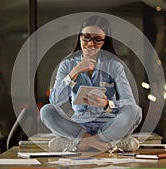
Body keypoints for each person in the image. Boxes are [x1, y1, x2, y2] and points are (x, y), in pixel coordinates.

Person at [40, 15, 142, 152]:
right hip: (79, 126)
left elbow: (129, 102)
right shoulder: (67, 65)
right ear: (80, 37)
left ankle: (80, 144)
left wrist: (107, 104)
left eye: (97, 39)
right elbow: (55, 101)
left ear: (104, 42)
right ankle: (106, 145)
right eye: (86, 37)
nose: (90, 44)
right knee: (46, 110)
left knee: (135, 111)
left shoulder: (114, 65)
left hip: (108, 126)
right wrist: (74, 73)